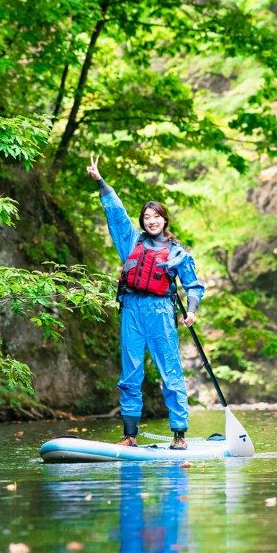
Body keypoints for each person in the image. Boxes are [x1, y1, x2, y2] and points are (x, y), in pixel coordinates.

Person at [87, 154, 205, 450]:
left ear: (165, 219)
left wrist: (191, 311)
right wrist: (101, 183)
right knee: (131, 374)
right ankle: (130, 435)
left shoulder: (178, 253)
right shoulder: (132, 242)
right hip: (132, 310)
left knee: (171, 373)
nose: (151, 221)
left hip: (161, 312)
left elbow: (193, 285)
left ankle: (179, 434)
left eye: (156, 217)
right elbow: (116, 215)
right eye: (147, 217)